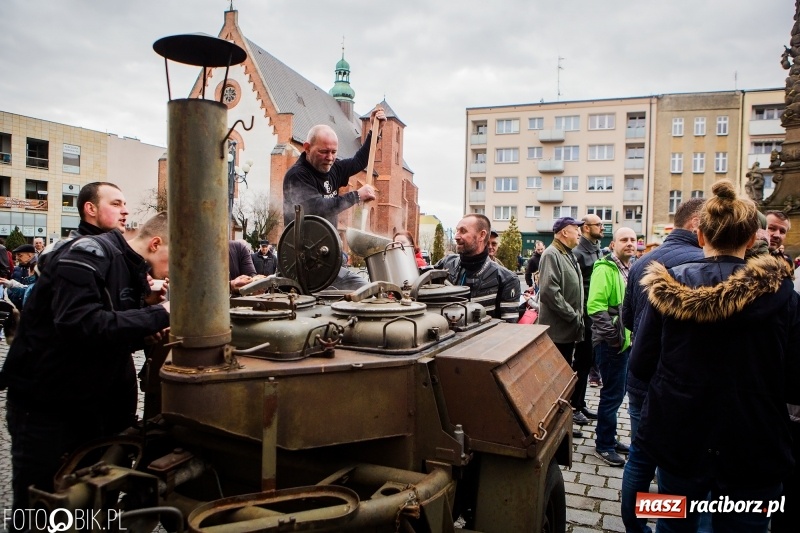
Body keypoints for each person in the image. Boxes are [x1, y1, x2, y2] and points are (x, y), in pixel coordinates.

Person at [630, 180, 800, 532]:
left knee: (674, 523)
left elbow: (642, 364)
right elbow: (795, 382)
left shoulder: (668, 287)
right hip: (754, 444)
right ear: (752, 239)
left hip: (679, 439)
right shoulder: (784, 295)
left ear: (701, 237)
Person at [0, 212, 171, 521]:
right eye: (178, 260)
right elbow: (80, 323)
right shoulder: (88, 252)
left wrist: (142, 315)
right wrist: (159, 314)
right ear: (157, 243)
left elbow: (103, 336)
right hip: (50, 414)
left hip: (94, 413)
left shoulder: (129, 269)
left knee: (93, 510)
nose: (177, 273)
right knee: (43, 512)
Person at [619, 197, 704, 533]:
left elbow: (627, 319)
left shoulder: (642, 262)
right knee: (669, 466)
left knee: (639, 458)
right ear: (697, 225)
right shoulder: (700, 263)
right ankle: (666, 524)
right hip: (677, 384)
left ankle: (635, 527)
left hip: (640, 377)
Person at [283, 107, 385, 290]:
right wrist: (356, 196)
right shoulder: (297, 175)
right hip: (304, 263)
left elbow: (359, 162)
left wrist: (375, 131)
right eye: (324, 152)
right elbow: (316, 207)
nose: (330, 158)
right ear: (307, 148)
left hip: (329, 259)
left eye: (333, 152)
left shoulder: (334, 169)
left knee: (368, 291)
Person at [587, 227, 637, 467]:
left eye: (633, 239)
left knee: (618, 393)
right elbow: (595, 306)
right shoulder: (605, 268)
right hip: (611, 344)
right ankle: (604, 445)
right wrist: (613, 338)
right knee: (612, 394)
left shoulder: (628, 268)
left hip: (623, 341)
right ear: (613, 244)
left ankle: (610, 437)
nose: (629, 243)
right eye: (624, 239)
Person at [537, 217, 584, 438]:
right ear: (564, 232)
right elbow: (548, 292)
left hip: (567, 332)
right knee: (554, 384)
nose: (579, 234)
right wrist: (573, 315)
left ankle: (560, 422)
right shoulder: (551, 254)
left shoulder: (568, 254)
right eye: (576, 230)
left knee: (562, 381)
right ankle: (553, 427)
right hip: (557, 332)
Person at [435, 214, 520, 323]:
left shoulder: (507, 279)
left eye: (463, 231)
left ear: (482, 235)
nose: (456, 236)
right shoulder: (445, 264)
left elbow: (508, 330)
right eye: (457, 231)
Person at [40, 182, 130, 267]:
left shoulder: (123, 253)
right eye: (116, 204)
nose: (126, 211)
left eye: (124, 204)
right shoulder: (58, 252)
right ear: (91, 209)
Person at [571, 214, 605, 427]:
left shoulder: (596, 248)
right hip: (584, 316)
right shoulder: (578, 253)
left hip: (595, 315)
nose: (602, 227)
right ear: (585, 228)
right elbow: (577, 288)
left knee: (588, 361)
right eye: (598, 224)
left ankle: (581, 403)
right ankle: (573, 406)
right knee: (581, 362)